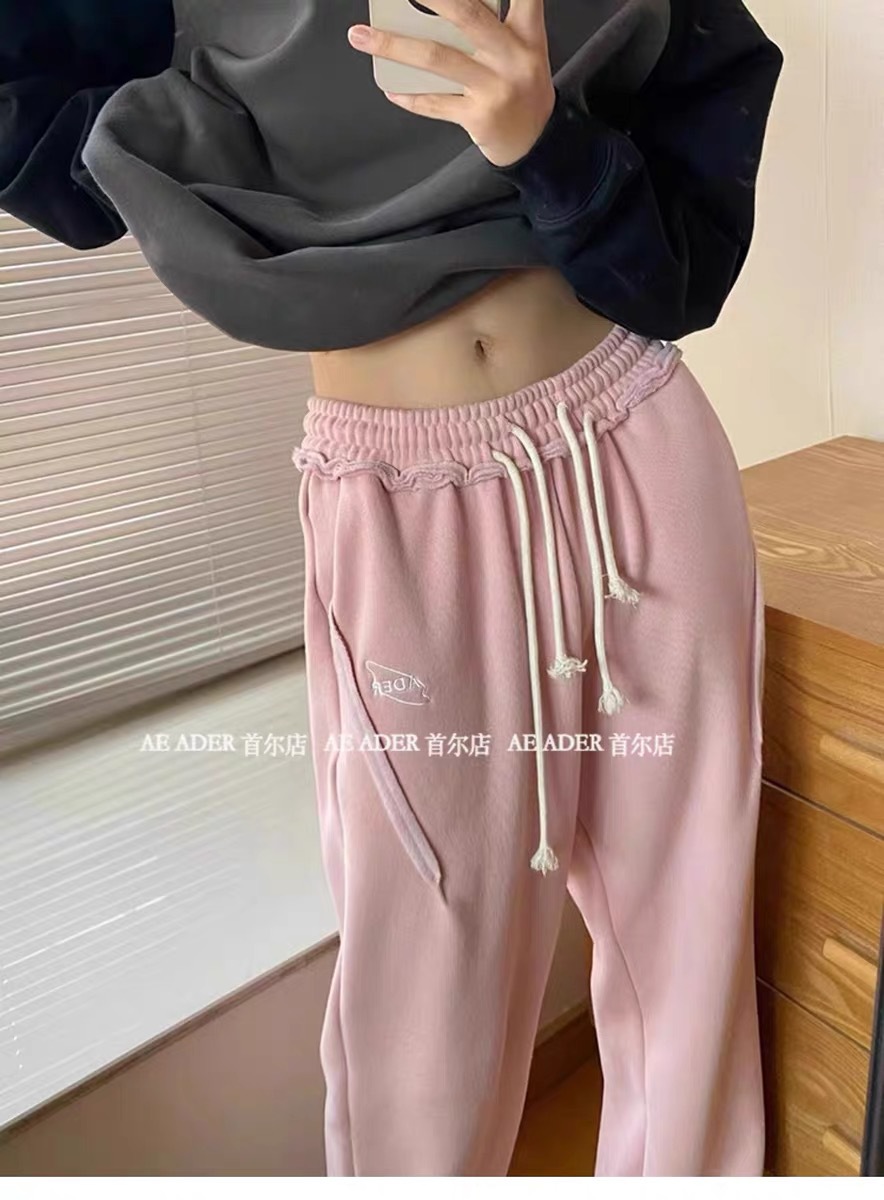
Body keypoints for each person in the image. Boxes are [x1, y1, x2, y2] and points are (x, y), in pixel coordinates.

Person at [3, 0, 785, 1176]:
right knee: (423, 992)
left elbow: (686, 272)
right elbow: (47, 146)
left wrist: (545, 143)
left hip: (634, 443)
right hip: (401, 502)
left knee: (689, 936)